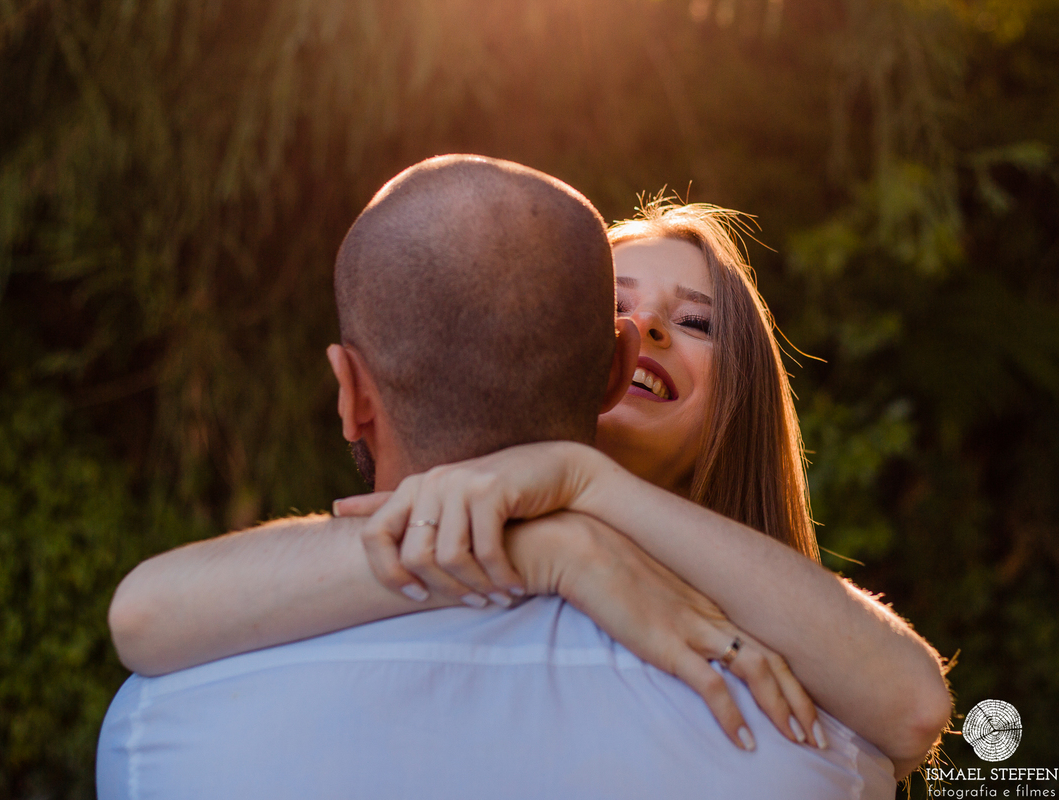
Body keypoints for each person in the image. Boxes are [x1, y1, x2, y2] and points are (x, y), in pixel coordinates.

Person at [99, 156, 950, 798]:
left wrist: (580, 483)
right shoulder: (810, 752)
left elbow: (912, 702)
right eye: (617, 300)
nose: (648, 324)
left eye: (696, 322)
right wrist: (558, 545)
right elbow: (143, 611)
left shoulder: (168, 720)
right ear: (601, 360)